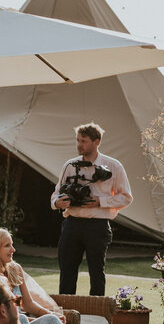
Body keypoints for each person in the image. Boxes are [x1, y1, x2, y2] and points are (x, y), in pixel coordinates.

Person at [51, 122, 132, 296]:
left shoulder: (114, 166)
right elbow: (56, 193)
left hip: (98, 225)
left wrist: (100, 201)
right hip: (72, 224)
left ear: (97, 142)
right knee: (67, 273)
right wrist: (58, 203)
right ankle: (66, 314)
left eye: (84, 141)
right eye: (78, 140)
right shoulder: (69, 165)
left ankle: (97, 315)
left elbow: (126, 197)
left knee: (96, 273)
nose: (79, 145)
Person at [0, 227, 63, 319]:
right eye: (7, 245)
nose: (13, 250)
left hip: (22, 322)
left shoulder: (15, 269)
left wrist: (50, 314)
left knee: (53, 320)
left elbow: (28, 304)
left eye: (11, 245)